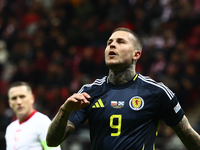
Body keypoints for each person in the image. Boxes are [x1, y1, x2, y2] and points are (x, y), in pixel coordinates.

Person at [46, 27, 200, 150]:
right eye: (109, 42)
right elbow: (52, 142)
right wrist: (64, 111)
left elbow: (189, 137)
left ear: (136, 54)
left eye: (120, 42)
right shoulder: (89, 92)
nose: (112, 45)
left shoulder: (157, 92)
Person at [5, 81, 61, 150]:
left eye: (22, 96)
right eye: (14, 98)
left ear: (32, 98)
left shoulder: (42, 122)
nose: (18, 102)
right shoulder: (10, 128)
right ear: (10, 103)